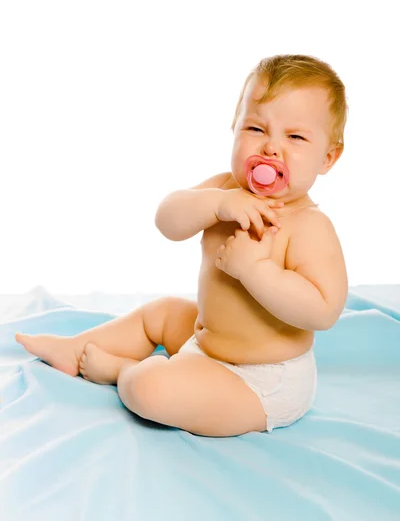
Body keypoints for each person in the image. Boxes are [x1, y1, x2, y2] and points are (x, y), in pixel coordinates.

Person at [16, 54, 348, 437]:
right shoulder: (225, 189)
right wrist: (217, 205)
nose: (272, 148)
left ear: (327, 157)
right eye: (256, 128)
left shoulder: (308, 226)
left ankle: (124, 372)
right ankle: (74, 348)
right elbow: (167, 221)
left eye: (295, 137)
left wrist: (257, 272)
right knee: (160, 312)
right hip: (205, 340)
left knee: (150, 390)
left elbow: (323, 311)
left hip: (260, 382)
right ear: (235, 129)